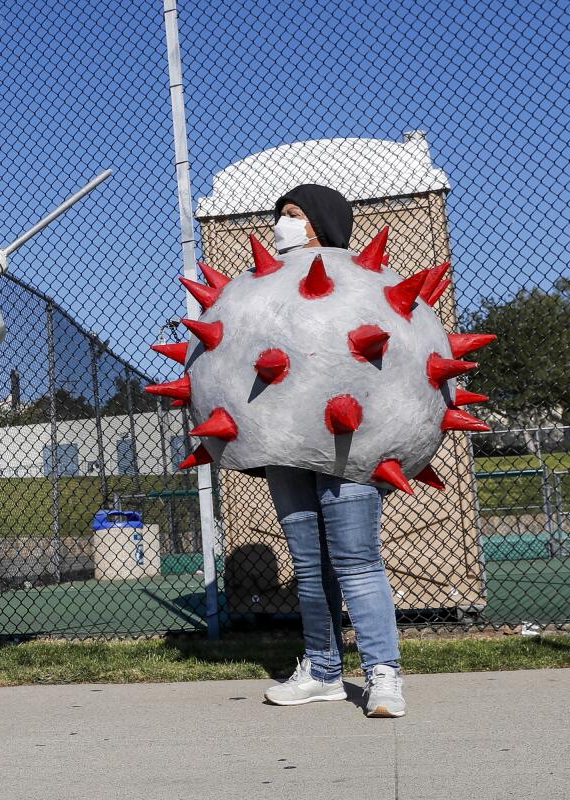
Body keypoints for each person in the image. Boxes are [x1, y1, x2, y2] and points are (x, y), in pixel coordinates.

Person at [260, 184, 406, 718]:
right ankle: (322, 670)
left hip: (350, 444)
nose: (283, 224)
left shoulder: (361, 285)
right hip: (286, 442)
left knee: (356, 561)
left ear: (320, 222)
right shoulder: (264, 287)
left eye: (294, 214)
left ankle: (383, 675)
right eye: (281, 215)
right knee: (309, 563)